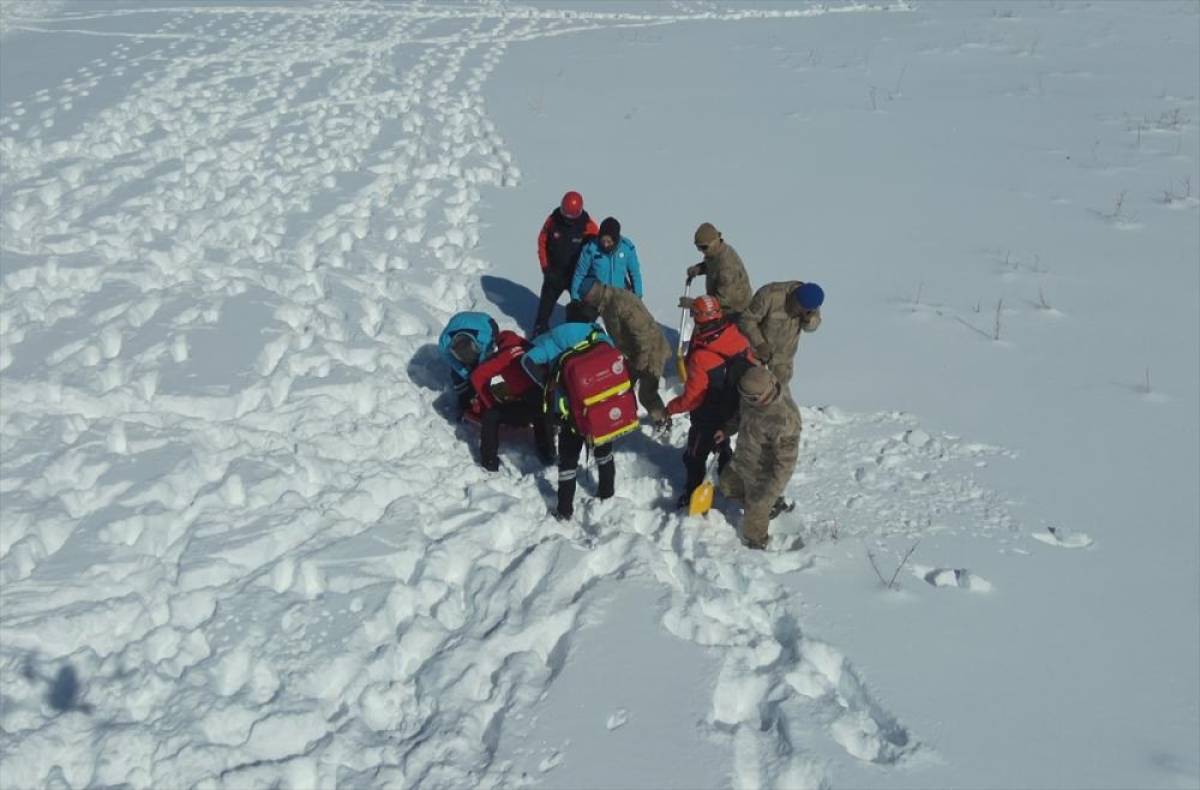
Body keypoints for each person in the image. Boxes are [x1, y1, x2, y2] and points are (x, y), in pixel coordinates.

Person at [662, 295, 759, 509]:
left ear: (698, 317)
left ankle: (692, 493)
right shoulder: (737, 337)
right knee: (722, 445)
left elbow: (692, 399)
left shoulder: (701, 357)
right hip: (732, 409)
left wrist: (669, 409)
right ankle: (730, 481)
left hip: (708, 414)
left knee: (694, 455)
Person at [521, 322, 619, 520]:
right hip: (600, 405)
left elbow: (527, 361)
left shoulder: (549, 343)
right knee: (604, 454)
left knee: (568, 464)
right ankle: (607, 494)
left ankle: (565, 510)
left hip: (570, 412)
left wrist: (546, 383)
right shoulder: (596, 334)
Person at [439, 313, 553, 471]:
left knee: (501, 413)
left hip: (531, 396)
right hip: (528, 398)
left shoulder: (500, 354)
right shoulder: (469, 370)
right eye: (460, 353)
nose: (466, 356)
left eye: (468, 349)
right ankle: (493, 463)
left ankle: (544, 452)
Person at [717, 366, 801, 550]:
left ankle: (757, 543)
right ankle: (769, 506)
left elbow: (785, 464)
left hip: (764, 472)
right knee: (726, 486)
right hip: (744, 458)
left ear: (769, 388)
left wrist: (768, 494)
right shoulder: (752, 397)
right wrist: (727, 430)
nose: (748, 401)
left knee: (755, 514)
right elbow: (741, 416)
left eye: (752, 399)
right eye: (745, 397)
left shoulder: (784, 421)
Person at [579, 277, 672, 423]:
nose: (587, 303)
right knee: (621, 383)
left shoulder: (619, 302)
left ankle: (663, 421)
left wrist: (642, 358)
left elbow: (642, 331)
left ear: (592, 295)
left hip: (650, 349)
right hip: (633, 352)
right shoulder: (605, 303)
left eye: (586, 299)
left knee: (647, 393)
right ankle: (623, 418)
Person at [468, 330, 555, 471]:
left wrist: (491, 404)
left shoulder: (502, 356)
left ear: (500, 345)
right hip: (547, 405)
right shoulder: (533, 349)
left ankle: (489, 462)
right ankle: (547, 453)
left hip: (521, 405)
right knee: (540, 411)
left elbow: (476, 376)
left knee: (491, 416)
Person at [533, 190, 599, 336]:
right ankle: (539, 331)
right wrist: (545, 268)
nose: (567, 219)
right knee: (545, 307)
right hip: (554, 273)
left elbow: (597, 253)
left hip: (577, 277)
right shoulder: (552, 220)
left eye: (571, 216)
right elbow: (542, 242)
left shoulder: (589, 227)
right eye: (565, 214)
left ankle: (576, 335)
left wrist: (590, 276)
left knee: (581, 309)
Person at [737, 281, 823, 388]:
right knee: (751, 388)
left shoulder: (812, 305)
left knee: (778, 395)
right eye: (795, 304)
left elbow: (812, 327)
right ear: (793, 295)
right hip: (756, 354)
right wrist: (759, 343)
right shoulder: (770, 295)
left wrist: (808, 320)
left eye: (800, 310)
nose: (795, 310)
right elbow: (746, 320)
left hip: (782, 361)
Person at [679, 222, 752, 320]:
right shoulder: (718, 252)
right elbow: (713, 265)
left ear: (715, 242)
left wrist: (694, 304)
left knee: (703, 324)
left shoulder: (727, 270)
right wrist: (699, 268)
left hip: (733, 315)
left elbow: (723, 301)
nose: (701, 251)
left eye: (704, 247)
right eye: (698, 247)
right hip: (719, 309)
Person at [570, 217, 643, 309]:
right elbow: (580, 274)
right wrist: (575, 298)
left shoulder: (627, 248)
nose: (605, 244)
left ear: (615, 240)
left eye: (609, 242)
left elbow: (635, 273)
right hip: (596, 294)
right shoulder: (590, 249)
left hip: (619, 294)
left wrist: (638, 296)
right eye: (603, 241)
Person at [438, 311, 499, 416]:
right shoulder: (444, 344)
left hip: (487, 324)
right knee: (458, 376)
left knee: (482, 371)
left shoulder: (485, 341)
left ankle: (484, 398)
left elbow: (483, 368)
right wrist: (466, 373)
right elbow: (454, 364)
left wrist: (477, 378)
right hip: (460, 321)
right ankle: (464, 403)